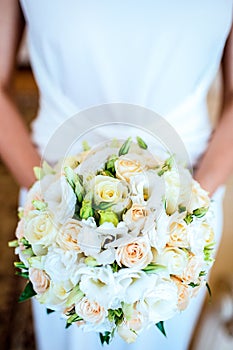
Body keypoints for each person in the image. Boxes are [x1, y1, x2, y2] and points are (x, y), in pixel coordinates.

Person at [1, 0, 233, 349]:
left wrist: (181, 219)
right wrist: (48, 199)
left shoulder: (185, 218)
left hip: (187, 206)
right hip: (52, 200)